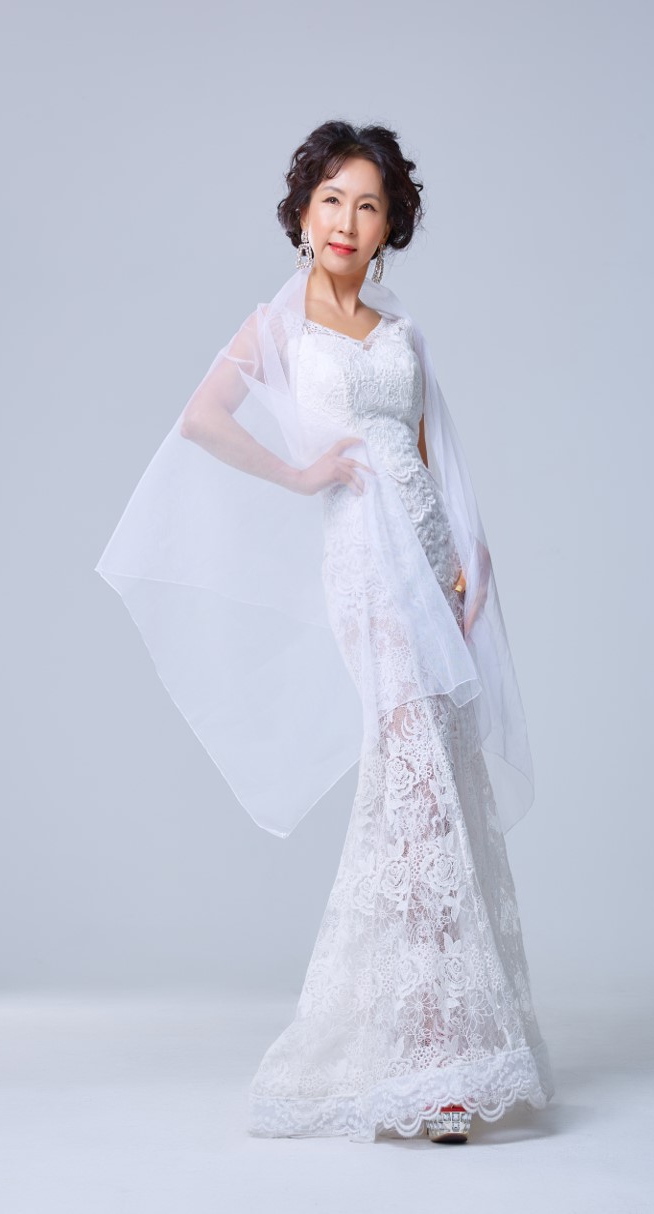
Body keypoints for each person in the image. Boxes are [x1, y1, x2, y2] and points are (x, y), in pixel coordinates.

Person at [95, 119, 555, 1145]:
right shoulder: (278, 326)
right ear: (303, 213)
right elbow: (204, 418)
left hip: (428, 559)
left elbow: (427, 453)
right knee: (415, 792)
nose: (348, 220)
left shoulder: (401, 331)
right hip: (363, 565)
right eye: (332, 199)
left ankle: (433, 1044)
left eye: (369, 204)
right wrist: (301, 473)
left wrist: (464, 559)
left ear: (391, 226)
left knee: (436, 796)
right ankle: (426, 1057)